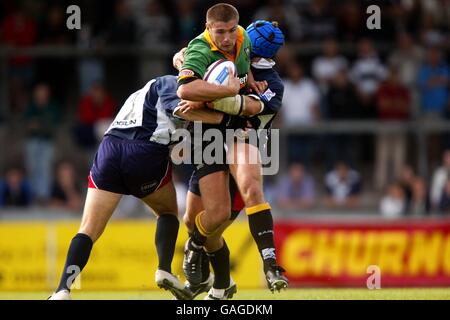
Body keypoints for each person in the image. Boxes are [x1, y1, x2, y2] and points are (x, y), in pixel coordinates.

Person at [174, 18, 288, 299]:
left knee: (249, 189)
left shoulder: (271, 82)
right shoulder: (221, 55)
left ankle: (270, 265)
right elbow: (181, 57)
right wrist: (182, 64)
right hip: (207, 142)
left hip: (242, 140)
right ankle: (221, 283)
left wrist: (206, 98)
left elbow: (249, 109)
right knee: (193, 221)